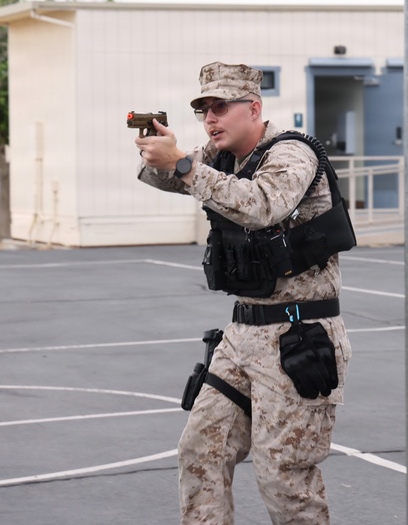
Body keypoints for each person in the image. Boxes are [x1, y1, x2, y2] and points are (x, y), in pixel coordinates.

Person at [135, 61, 353, 525]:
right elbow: (163, 176)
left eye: (220, 107)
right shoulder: (219, 158)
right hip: (242, 334)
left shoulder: (293, 154)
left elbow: (262, 205)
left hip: (299, 335)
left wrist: (184, 164)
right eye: (204, 110)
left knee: (283, 476)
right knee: (200, 451)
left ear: (253, 108)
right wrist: (158, 149)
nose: (210, 118)